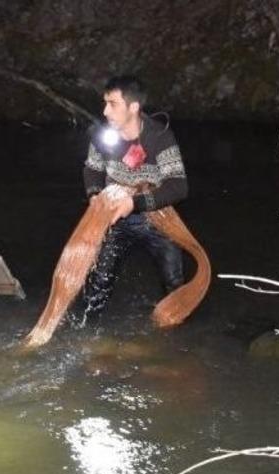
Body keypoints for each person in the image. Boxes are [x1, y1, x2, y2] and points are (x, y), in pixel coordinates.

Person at [81, 75, 188, 320]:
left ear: (133, 107)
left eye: (112, 103)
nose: (105, 111)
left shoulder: (160, 137)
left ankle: (178, 340)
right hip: (115, 218)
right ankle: (88, 330)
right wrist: (95, 194)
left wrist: (136, 203)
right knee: (98, 283)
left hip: (157, 217)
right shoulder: (102, 136)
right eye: (105, 103)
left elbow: (178, 186)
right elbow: (92, 169)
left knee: (174, 282)